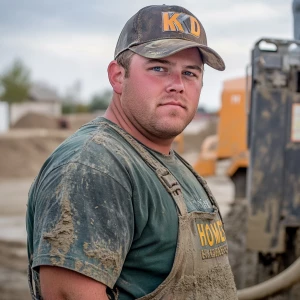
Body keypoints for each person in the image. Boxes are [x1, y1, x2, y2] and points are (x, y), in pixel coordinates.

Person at [26, 4, 237, 300]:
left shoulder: (167, 163)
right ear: (118, 76)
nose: (177, 85)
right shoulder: (94, 166)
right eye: (159, 68)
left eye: (190, 73)